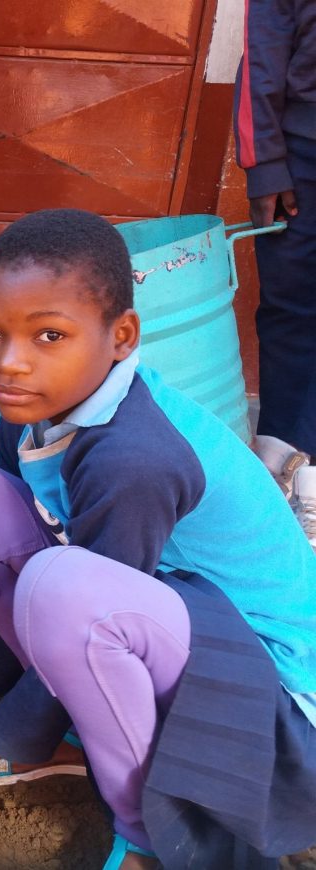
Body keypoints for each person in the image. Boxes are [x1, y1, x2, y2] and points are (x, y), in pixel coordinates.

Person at [0, 209, 316, 869]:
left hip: (265, 712)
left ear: (122, 335)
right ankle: (80, 727)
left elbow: (72, 607)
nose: (9, 363)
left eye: (49, 334)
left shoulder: (133, 459)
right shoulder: (39, 414)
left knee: (63, 582)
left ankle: (150, 836)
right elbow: (30, 605)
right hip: (184, 630)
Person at [235, 0, 316, 545]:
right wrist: (263, 161)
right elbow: (261, 43)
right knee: (289, 309)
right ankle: (279, 461)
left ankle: (308, 480)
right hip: (303, 151)